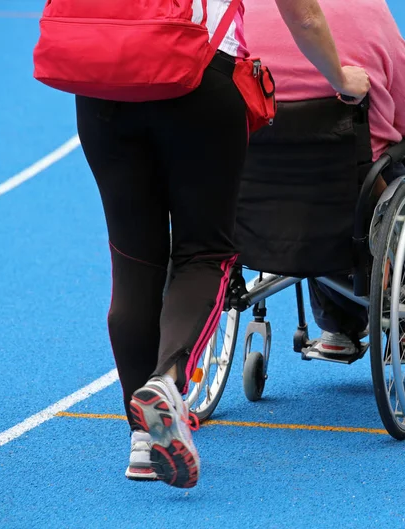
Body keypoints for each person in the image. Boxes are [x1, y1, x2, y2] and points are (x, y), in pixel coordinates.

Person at [74, 0, 369, 489]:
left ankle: (143, 445)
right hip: (197, 74)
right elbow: (306, 15)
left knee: (133, 260)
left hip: (103, 79)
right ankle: (167, 381)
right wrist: (341, 80)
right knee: (203, 252)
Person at [243, 0, 405, 355]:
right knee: (404, 173)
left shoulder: (239, 14)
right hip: (347, 194)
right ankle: (404, 324)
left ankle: (337, 327)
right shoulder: (369, 10)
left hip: (252, 191)